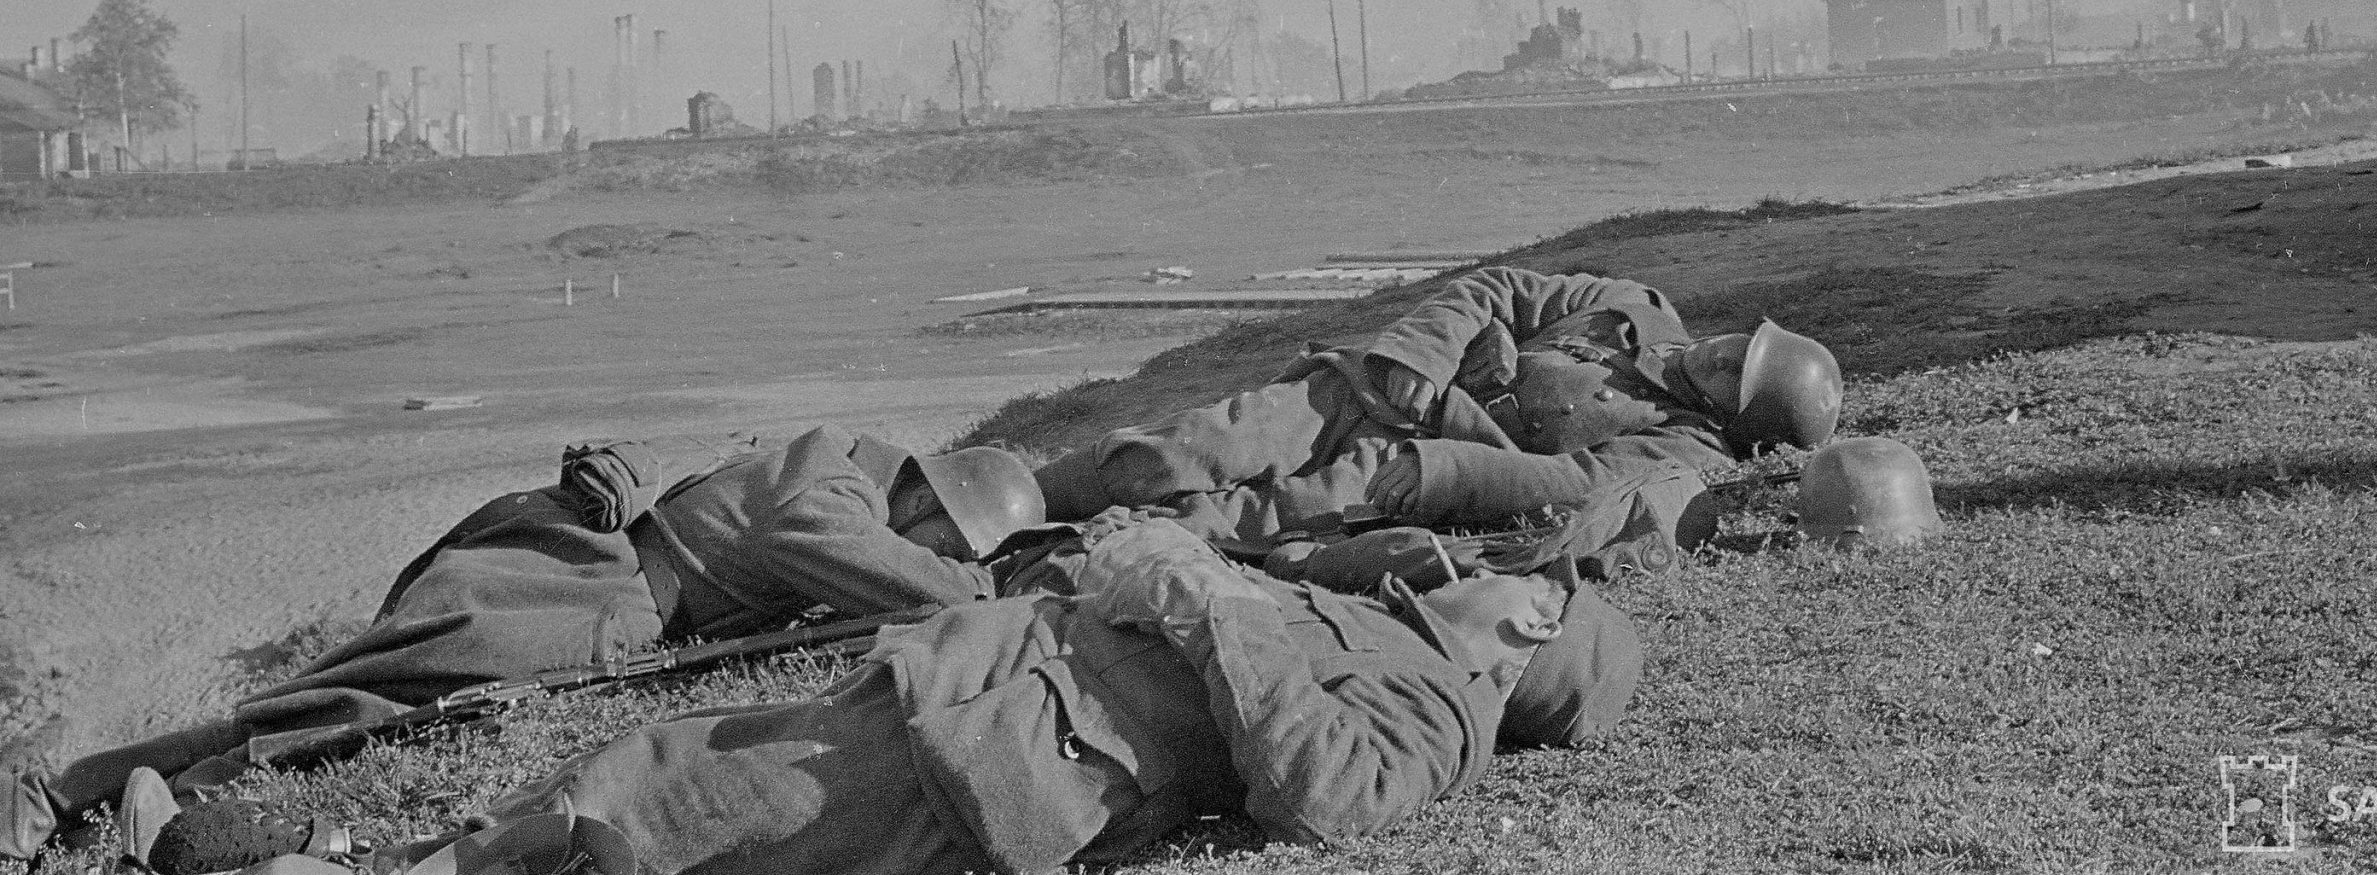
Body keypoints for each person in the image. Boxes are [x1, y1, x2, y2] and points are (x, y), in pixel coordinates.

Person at [0, 425, 1045, 865]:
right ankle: (75, 799)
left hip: (568, 576)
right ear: (923, 496)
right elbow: (898, 579)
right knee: (338, 713)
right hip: (578, 601)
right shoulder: (833, 491)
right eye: (943, 535)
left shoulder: (834, 465)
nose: (932, 550)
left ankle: (88, 796)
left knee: (339, 701)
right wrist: (985, 579)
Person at [370, 519, 1644, 875]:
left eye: (1507, 579)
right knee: (648, 759)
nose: (1479, 571)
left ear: (1532, 625)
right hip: (961, 687)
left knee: (644, 812)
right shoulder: (1383, 619)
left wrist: (1207, 596)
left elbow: (1327, 790)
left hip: (986, 755)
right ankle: (353, 854)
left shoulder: (1439, 707)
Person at [1038, 265, 1840, 541]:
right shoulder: (1636, 306)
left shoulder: (1683, 451)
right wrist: (1426, 351)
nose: (1721, 349)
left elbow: (1579, 489)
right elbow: (1500, 287)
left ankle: (1034, 566)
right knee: (1182, 450)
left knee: (1242, 523)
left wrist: (1445, 472)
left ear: (1741, 420)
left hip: (1405, 466)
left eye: (1736, 371)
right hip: (1364, 391)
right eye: (1740, 340)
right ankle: (1004, 501)